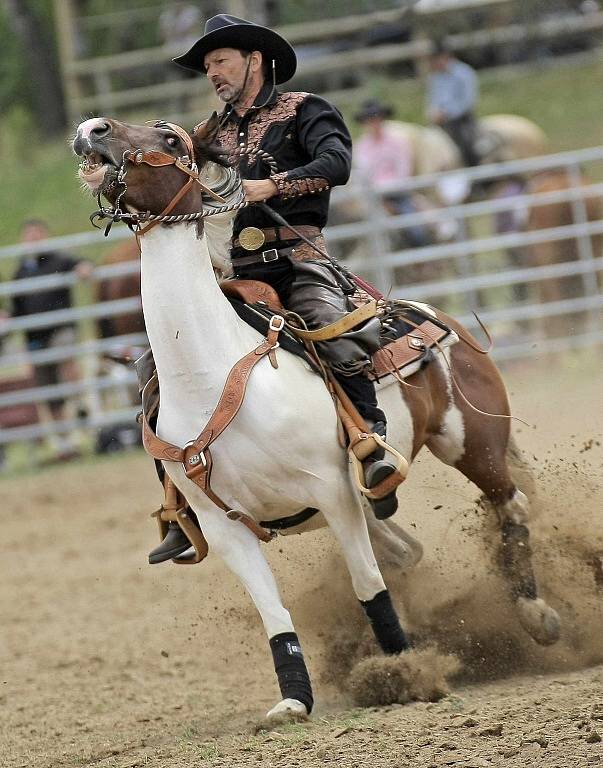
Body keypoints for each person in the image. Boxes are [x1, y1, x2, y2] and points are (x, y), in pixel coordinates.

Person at [150, 13, 399, 563]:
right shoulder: (208, 133)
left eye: (220, 60)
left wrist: (273, 183)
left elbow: (337, 162)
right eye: (208, 66)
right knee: (161, 363)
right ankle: (178, 504)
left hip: (298, 254)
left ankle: (371, 445)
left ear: (254, 60)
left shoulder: (306, 109)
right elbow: (177, 181)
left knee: (330, 327)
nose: (212, 73)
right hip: (236, 270)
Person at [10, 219, 93, 459]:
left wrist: (84, 267)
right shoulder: (20, 271)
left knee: (65, 358)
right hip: (35, 337)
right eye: (29, 235)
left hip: (61, 329)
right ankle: (66, 443)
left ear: (45, 236)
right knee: (48, 390)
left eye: (37, 234)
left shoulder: (58, 259)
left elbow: (81, 263)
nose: (33, 239)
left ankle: (78, 402)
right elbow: (17, 309)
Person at [354, 98, 431, 248]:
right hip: (375, 196)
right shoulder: (362, 147)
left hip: (398, 192)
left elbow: (404, 169)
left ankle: (422, 250)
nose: (374, 123)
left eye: (376, 118)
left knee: (415, 228)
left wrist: (390, 187)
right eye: (369, 119)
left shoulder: (398, 141)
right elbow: (365, 173)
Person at [426, 39, 480, 167]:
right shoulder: (434, 77)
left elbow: (468, 101)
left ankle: (475, 173)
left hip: (461, 119)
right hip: (439, 120)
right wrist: (432, 112)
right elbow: (432, 99)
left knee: (467, 145)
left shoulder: (464, 73)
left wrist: (447, 113)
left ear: (446, 57)